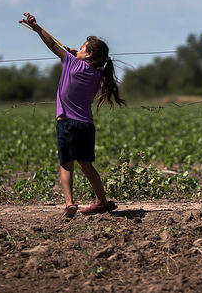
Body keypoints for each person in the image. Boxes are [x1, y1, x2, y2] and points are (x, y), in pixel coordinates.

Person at [19, 12, 124, 217]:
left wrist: (37, 27)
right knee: (87, 165)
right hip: (86, 125)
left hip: (66, 124)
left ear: (88, 55)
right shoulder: (98, 73)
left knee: (66, 165)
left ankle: (69, 203)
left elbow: (52, 45)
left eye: (82, 47)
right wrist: (78, 55)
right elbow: (82, 60)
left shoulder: (71, 62)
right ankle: (101, 200)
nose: (78, 48)